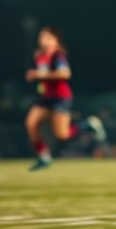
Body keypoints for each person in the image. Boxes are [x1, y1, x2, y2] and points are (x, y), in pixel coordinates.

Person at [24, 27, 104, 171]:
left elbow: (65, 73)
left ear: (56, 41)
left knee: (62, 134)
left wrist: (39, 75)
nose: (44, 41)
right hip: (45, 97)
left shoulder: (58, 56)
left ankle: (88, 125)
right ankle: (44, 157)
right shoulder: (39, 56)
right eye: (42, 38)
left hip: (60, 97)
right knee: (31, 124)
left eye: (48, 38)